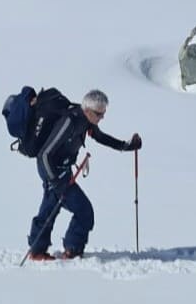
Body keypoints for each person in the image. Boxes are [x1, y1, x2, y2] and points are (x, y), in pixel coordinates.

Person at [27, 89, 140, 261]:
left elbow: (102, 138)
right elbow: (44, 155)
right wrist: (55, 180)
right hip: (52, 170)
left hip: (62, 171)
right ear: (87, 110)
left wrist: (127, 146)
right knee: (82, 210)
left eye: (103, 113)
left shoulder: (86, 121)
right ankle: (67, 251)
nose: (101, 117)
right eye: (98, 114)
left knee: (52, 207)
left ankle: (41, 250)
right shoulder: (69, 121)